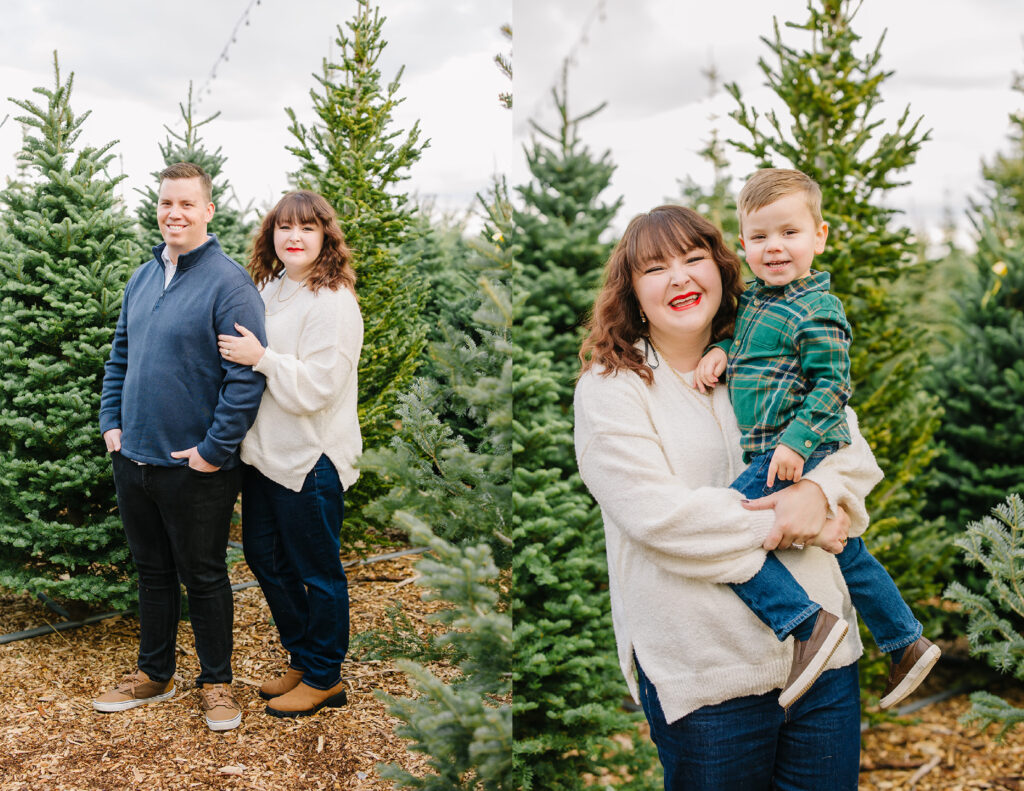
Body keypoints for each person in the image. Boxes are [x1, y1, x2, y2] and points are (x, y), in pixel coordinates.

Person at [574, 204, 882, 788]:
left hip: (827, 670)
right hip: (708, 681)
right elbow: (659, 518)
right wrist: (799, 521)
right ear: (633, 292)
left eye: (694, 259)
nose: (680, 278)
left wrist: (816, 491)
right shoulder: (610, 388)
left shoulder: (772, 352)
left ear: (722, 268)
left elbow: (854, 457)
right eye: (655, 268)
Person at [694, 168, 939, 709]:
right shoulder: (757, 302)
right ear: (743, 245)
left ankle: (808, 626)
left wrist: (798, 443)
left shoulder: (818, 308)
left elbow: (834, 385)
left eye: (789, 233)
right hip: (778, 444)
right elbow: (749, 342)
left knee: (727, 528)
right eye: (760, 237)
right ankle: (905, 640)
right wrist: (721, 350)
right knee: (849, 551)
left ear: (819, 236)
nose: (774, 247)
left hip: (796, 444)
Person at [95, 162, 267, 732]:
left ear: (208, 211)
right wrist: (111, 423)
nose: (175, 213)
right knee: (152, 572)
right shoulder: (142, 279)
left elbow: (246, 379)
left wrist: (213, 451)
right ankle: (154, 674)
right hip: (134, 457)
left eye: (187, 204)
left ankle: (217, 683)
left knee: (206, 574)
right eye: (167, 203)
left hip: (196, 467)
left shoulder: (229, 284)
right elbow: (120, 354)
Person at [215, 190, 361, 718]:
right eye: (284, 228)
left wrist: (262, 359)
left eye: (306, 228)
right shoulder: (270, 288)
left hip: (310, 459)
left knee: (317, 570)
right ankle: (303, 657)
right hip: (263, 455)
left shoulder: (333, 301)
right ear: (271, 236)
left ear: (325, 236)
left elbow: (320, 387)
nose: (293, 237)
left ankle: (325, 677)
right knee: (265, 558)